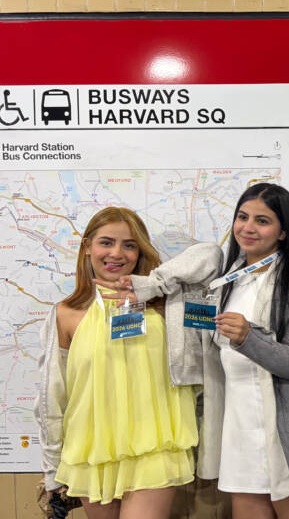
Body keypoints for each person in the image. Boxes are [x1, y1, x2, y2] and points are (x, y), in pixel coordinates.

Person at [107, 183, 289, 518]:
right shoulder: (226, 278)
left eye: (262, 221)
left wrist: (250, 337)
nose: (248, 227)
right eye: (242, 217)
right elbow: (204, 254)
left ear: (283, 232)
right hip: (241, 430)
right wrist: (149, 288)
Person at [35, 207, 203, 518]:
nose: (117, 253)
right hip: (90, 453)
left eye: (129, 244)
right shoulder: (65, 314)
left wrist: (153, 286)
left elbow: (212, 257)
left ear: (141, 251)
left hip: (154, 449)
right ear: (87, 247)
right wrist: (51, 469)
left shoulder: (169, 307)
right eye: (106, 242)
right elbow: (51, 398)